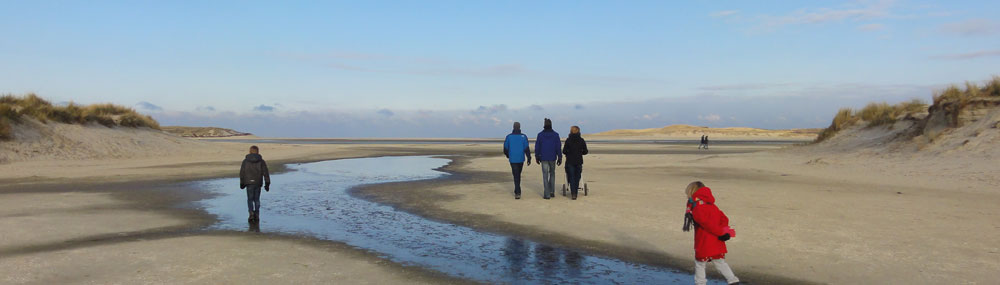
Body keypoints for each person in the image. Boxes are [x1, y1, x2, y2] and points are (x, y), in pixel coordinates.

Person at [683, 181, 740, 285]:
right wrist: (723, 230)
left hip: (705, 241)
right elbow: (724, 218)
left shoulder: (697, 208)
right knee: (719, 262)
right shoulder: (712, 205)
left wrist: (721, 233)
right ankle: (733, 280)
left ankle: (700, 283)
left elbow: (706, 224)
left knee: (700, 264)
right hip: (717, 240)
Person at [240, 145, 270, 223]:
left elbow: (242, 173)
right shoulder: (261, 161)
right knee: (256, 199)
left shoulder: (245, 161)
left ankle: (251, 214)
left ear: (250, 151)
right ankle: (256, 214)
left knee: (250, 199)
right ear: (257, 151)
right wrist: (267, 183)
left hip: (249, 182)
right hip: (257, 182)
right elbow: (265, 173)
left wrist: (242, 183)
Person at [534, 118, 562, 199]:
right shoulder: (555, 135)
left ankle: (547, 194)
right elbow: (558, 147)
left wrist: (537, 156)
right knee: (552, 173)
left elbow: (537, 146)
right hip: (552, 157)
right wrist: (559, 157)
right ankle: (551, 191)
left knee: (545, 175)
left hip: (544, 157)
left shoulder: (540, 135)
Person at [503, 122, 531, 199]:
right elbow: (526, 148)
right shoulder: (523, 136)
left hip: (513, 159)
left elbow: (505, 148)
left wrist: (508, 155)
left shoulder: (509, 137)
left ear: (513, 127)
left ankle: (517, 191)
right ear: (519, 127)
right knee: (517, 175)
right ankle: (517, 191)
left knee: (516, 175)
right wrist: (529, 158)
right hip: (520, 158)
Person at [562, 126, 588, 200]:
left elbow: (564, 151)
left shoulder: (568, 140)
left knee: (572, 176)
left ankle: (573, 193)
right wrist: (580, 152)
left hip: (570, 161)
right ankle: (574, 193)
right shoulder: (581, 140)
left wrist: (568, 153)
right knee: (577, 177)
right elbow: (585, 151)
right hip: (578, 161)